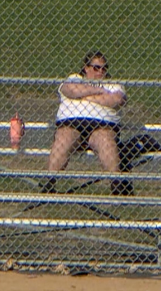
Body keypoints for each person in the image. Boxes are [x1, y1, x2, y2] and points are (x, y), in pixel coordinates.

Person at [45, 51, 128, 195]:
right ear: (86, 68)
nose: (100, 71)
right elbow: (70, 89)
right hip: (71, 122)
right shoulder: (75, 78)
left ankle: (116, 186)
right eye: (96, 67)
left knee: (105, 140)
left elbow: (116, 100)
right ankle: (49, 184)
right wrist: (99, 91)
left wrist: (84, 96)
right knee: (64, 138)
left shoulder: (113, 85)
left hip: (103, 124)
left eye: (104, 68)